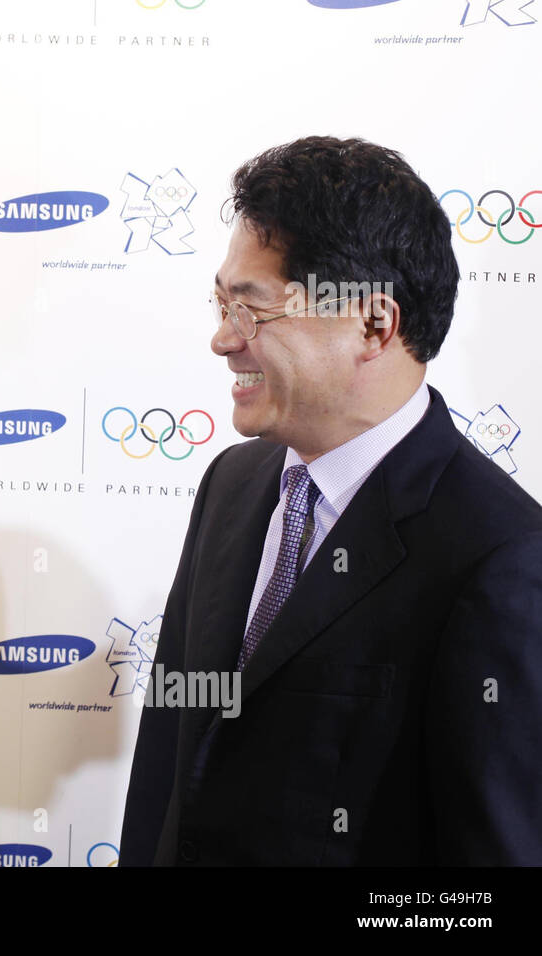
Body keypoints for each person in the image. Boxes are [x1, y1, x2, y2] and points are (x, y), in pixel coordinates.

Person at [121, 136, 542, 865]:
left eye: (252, 311)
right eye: (222, 303)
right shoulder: (233, 482)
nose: (223, 339)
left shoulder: (501, 558)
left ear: (374, 324)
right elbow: (169, 754)